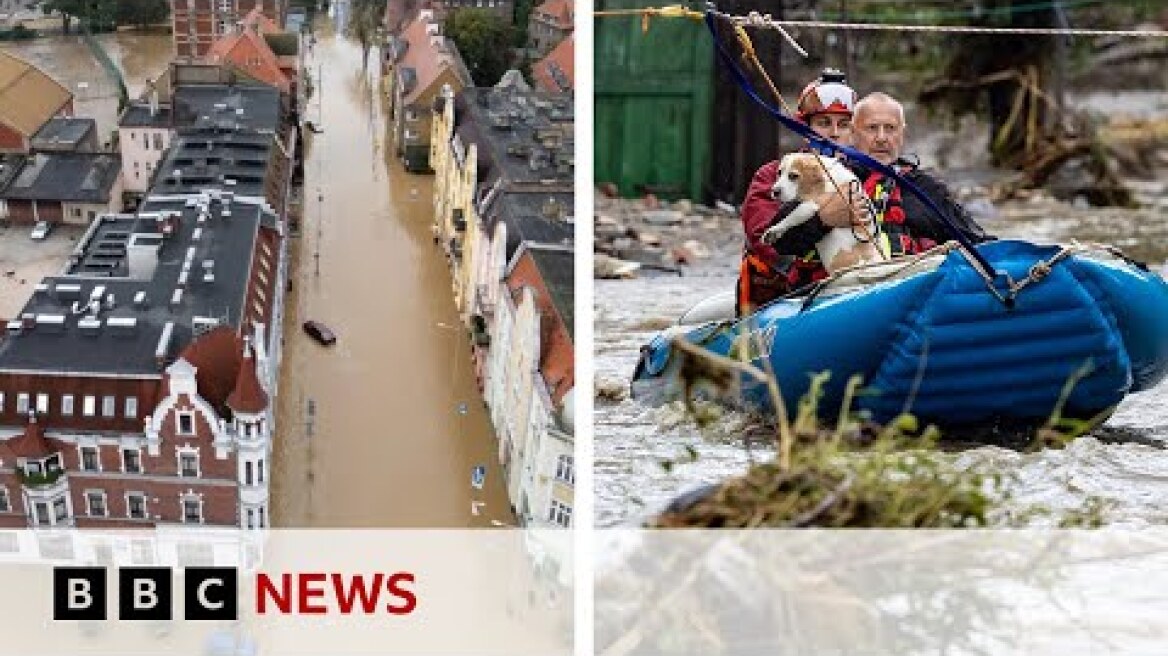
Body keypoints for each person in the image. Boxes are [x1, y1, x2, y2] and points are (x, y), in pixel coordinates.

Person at [745, 91, 992, 313]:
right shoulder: (825, 177)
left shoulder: (927, 189)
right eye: (872, 128)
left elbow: (976, 242)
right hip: (831, 301)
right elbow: (779, 244)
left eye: (890, 129)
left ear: (902, 134)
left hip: (906, 296)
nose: (882, 138)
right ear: (852, 134)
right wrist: (824, 219)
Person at [737, 68, 869, 316]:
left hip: (853, 288)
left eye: (844, 124)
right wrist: (823, 220)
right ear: (804, 128)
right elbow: (766, 243)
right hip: (787, 298)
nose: (834, 133)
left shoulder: (866, 176)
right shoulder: (772, 175)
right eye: (823, 123)